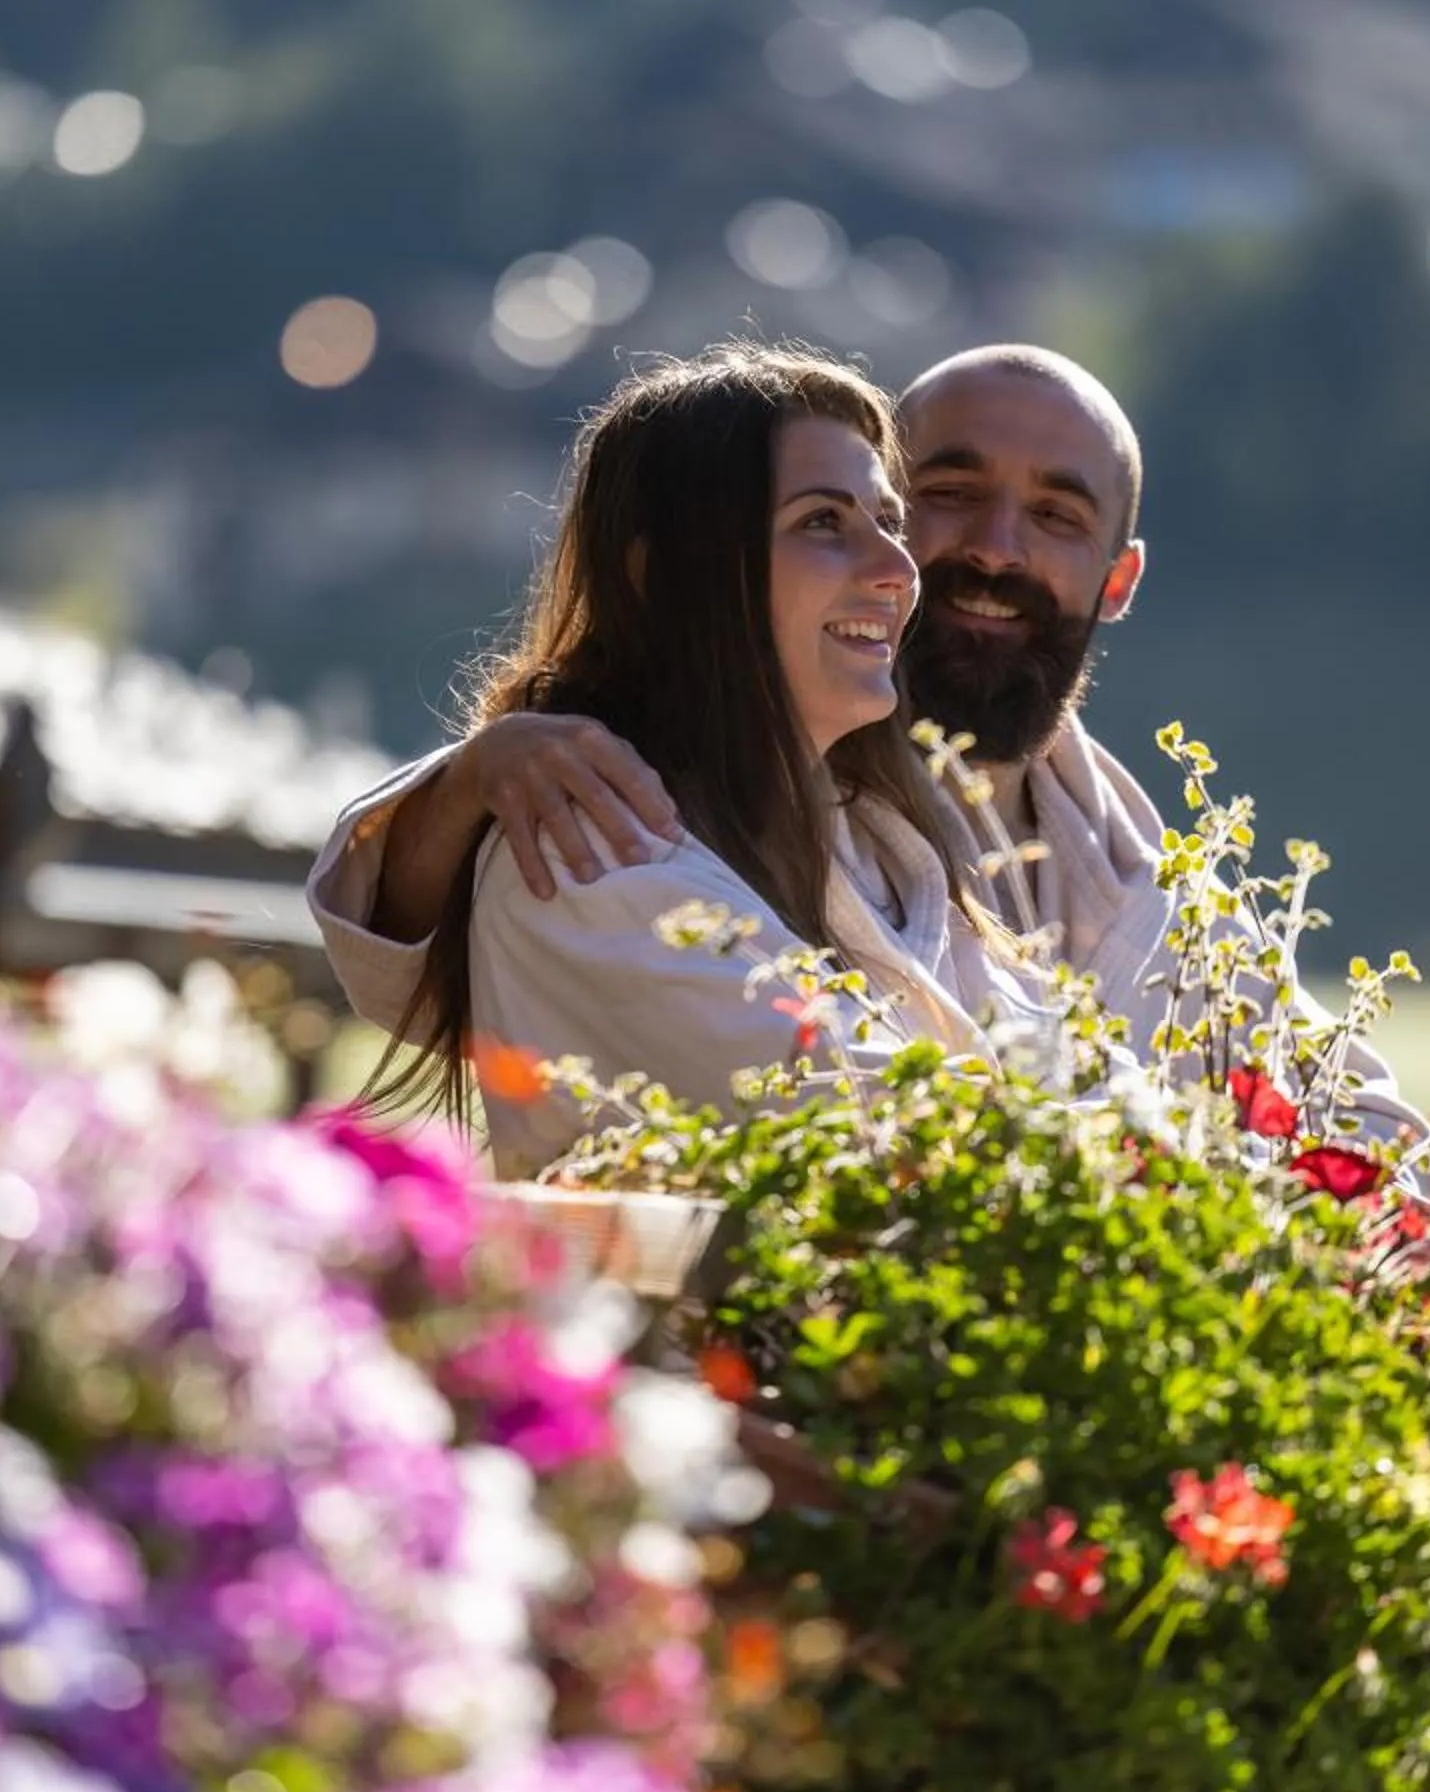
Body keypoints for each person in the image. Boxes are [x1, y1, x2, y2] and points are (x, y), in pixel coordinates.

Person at [312, 343, 1422, 1150]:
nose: (982, 552)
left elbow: (1356, 1117)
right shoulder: (599, 828)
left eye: (1056, 516)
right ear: (675, 573)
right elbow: (922, 1143)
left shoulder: (1090, 848)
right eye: (945, 495)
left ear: (1118, 578)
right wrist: (473, 778)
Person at [340, 342, 1062, 1176]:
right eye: (823, 522)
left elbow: (1072, 1092)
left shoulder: (878, 848)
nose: (898, 569)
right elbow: (893, 1142)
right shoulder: (587, 859)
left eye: (889, 522)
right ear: (666, 575)